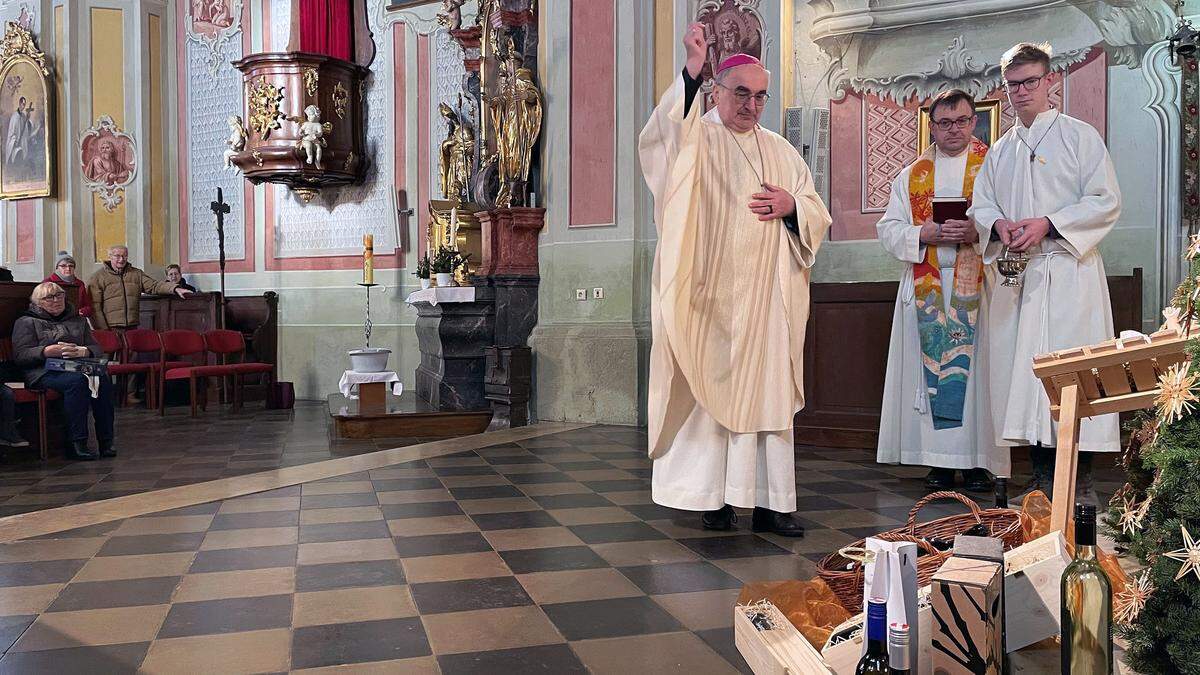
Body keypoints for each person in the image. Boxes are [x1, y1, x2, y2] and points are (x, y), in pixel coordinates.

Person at [638, 25, 832, 536]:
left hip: (768, 302)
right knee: (710, 393)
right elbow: (661, 138)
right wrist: (690, 72)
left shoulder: (782, 150)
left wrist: (793, 208)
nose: (751, 105)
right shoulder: (697, 136)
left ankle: (770, 503)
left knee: (767, 399)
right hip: (711, 297)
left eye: (760, 95)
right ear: (718, 92)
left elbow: (816, 209)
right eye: (740, 93)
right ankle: (716, 499)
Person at [967, 43, 1121, 505]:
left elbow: (1105, 200)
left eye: (1031, 81)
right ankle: (1039, 477)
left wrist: (1048, 224)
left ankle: (1081, 479)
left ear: (1050, 81)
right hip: (1022, 277)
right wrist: (997, 224)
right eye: (1013, 85)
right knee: (1028, 376)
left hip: (1069, 271)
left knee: (1076, 373)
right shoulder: (1001, 151)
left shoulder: (1080, 137)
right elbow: (983, 203)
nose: (1021, 92)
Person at [875, 89, 1005, 493]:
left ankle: (983, 461)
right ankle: (939, 463)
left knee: (981, 374)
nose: (954, 130)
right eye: (945, 123)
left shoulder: (995, 167)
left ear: (974, 122)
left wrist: (979, 231)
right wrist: (923, 232)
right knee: (929, 374)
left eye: (962, 121)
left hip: (979, 284)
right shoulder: (913, 173)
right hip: (927, 285)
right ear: (933, 125)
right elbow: (888, 229)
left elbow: (1011, 219)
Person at [11, 282, 115, 461]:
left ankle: (106, 442)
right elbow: (21, 355)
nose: (56, 300)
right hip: (42, 371)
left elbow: (96, 348)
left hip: (75, 365)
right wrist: (45, 351)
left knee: (101, 379)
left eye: (59, 295)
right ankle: (76, 443)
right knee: (78, 382)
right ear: (38, 302)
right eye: (49, 297)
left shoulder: (77, 320)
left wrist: (84, 351)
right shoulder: (26, 321)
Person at [88, 244, 190, 331]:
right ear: (110, 257)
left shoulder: (136, 274)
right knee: (108, 354)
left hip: (132, 326)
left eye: (125, 256)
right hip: (111, 327)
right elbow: (94, 307)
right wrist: (102, 330)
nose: (121, 259)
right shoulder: (98, 277)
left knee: (131, 354)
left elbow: (154, 286)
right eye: (117, 256)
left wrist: (175, 288)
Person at [43, 251, 94, 320]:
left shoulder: (79, 283)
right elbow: (43, 305)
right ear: (57, 267)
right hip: (55, 321)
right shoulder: (48, 283)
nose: (68, 269)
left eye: (71, 266)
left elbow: (87, 305)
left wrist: (83, 311)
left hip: (76, 321)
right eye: (63, 266)